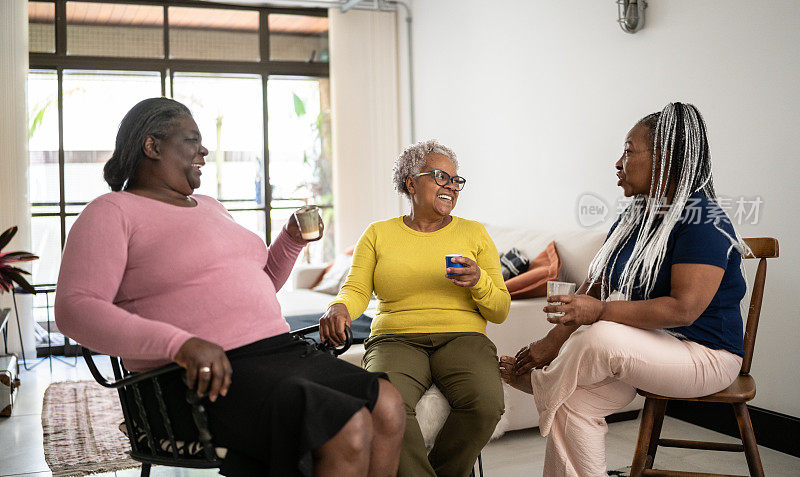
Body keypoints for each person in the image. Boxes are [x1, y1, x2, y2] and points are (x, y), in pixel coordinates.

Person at [54, 97, 405, 477]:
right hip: (198, 377)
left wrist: (289, 239)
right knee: (345, 427)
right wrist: (180, 343)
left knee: (387, 404)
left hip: (278, 353)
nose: (204, 150)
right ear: (152, 146)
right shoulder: (111, 212)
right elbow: (75, 309)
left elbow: (259, 286)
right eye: (191, 140)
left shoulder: (210, 205)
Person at [500, 102, 747, 476]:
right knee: (573, 404)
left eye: (629, 151)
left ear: (665, 158)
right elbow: (597, 286)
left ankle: (540, 384)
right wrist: (550, 342)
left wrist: (596, 315)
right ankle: (552, 387)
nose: (618, 162)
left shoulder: (703, 219)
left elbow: (684, 310)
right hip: (645, 348)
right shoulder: (635, 216)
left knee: (598, 337)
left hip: (705, 355)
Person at [319, 140, 510, 477]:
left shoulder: (474, 232)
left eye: (455, 179)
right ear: (411, 182)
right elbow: (356, 289)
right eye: (440, 176)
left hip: (462, 336)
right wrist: (339, 307)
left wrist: (478, 280)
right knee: (386, 404)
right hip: (395, 338)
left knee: (486, 403)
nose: (451, 185)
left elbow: (500, 310)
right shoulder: (378, 234)